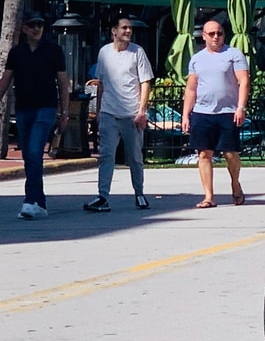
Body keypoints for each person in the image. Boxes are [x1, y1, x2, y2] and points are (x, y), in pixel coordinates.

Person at [0, 12, 69, 219]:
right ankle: (40, 202)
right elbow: (6, 80)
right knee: (28, 156)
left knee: (34, 151)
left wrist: (65, 112)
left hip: (45, 108)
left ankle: (30, 200)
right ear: (24, 28)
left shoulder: (53, 51)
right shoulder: (16, 53)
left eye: (40, 24)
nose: (37, 28)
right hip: (23, 109)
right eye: (32, 25)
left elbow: (63, 83)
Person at [85, 15, 155, 213]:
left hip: (131, 114)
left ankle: (139, 194)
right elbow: (101, 84)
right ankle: (103, 196)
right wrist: (98, 111)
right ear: (114, 31)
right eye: (124, 28)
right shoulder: (104, 52)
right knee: (106, 156)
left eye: (130, 28)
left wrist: (142, 110)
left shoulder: (137, 52)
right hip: (109, 113)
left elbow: (145, 82)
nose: (128, 31)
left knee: (135, 157)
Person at [182, 20, 250, 208]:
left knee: (230, 153)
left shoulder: (233, 54)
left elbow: (243, 81)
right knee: (204, 154)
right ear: (203, 36)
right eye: (211, 34)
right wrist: (186, 115)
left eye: (219, 33)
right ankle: (209, 196)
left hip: (228, 112)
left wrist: (240, 107)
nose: (215, 37)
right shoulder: (197, 59)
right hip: (202, 112)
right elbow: (191, 88)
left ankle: (235, 184)